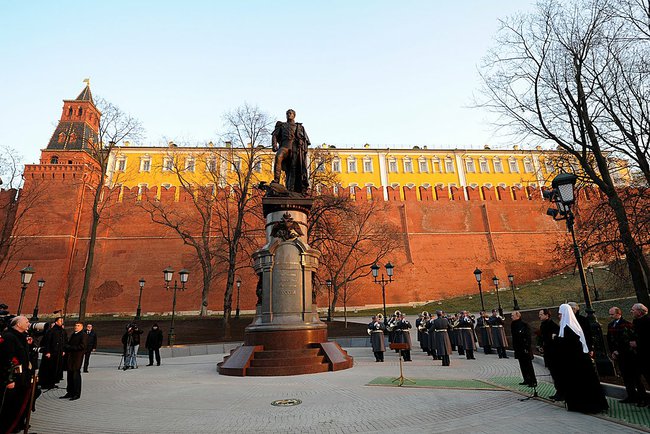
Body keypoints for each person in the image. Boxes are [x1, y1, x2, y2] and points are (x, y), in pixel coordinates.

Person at [554, 304, 608, 414]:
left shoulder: (568, 327)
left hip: (577, 361)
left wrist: (556, 339)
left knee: (582, 384)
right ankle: (579, 404)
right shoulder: (571, 325)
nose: (559, 316)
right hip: (578, 360)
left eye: (560, 314)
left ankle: (588, 406)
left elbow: (570, 343)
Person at [0, 316, 33, 433]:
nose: (29, 323)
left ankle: (15, 426)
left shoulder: (21, 337)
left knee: (18, 405)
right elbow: (6, 359)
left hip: (22, 378)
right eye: (26, 321)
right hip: (13, 379)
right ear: (18, 324)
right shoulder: (9, 337)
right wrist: (9, 380)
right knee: (8, 408)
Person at [607, 306, 646, 404]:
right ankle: (631, 396)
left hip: (628, 355)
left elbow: (627, 340)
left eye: (612, 314)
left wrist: (619, 351)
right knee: (626, 377)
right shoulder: (611, 325)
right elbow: (610, 340)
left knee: (635, 378)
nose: (610, 316)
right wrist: (613, 351)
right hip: (619, 355)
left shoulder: (627, 324)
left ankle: (642, 397)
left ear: (618, 314)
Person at [271, 109, 311, 194]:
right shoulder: (282, 125)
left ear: (294, 115)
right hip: (285, 146)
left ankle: (291, 189)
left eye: (291, 113)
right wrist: (274, 145)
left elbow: (305, 140)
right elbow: (274, 135)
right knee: (278, 156)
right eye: (287, 113)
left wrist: (301, 141)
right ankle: (276, 180)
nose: (289, 115)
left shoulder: (299, 127)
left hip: (295, 149)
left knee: (293, 168)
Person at [538, 308, 562, 400]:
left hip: (554, 353)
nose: (539, 316)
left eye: (541, 314)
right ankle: (558, 391)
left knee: (557, 374)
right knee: (553, 373)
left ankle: (561, 392)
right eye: (539, 314)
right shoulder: (543, 325)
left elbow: (554, 339)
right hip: (548, 352)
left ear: (547, 315)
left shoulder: (552, 325)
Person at [60, 321, 86, 401]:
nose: (76, 327)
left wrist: (70, 347)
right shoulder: (73, 334)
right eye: (75, 325)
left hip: (77, 358)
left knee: (76, 376)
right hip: (70, 358)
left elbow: (82, 346)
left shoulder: (83, 335)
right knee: (69, 376)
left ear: (81, 327)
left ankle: (76, 393)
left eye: (78, 325)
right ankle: (69, 392)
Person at [38, 316, 67, 389]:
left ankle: (52, 382)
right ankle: (45, 383)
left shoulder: (63, 331)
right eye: (60, 321)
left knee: (55, 368)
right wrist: (47, 352)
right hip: (51, 353)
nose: (61, 322)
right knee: (48, 368)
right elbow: (47, 342)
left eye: (62, 321)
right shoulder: (51, 331)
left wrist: (63, 350)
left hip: (58, 353)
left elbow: (64, 341)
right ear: (56, 322)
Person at [630, 303, 650, 404]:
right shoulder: (636, 321)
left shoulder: (647, 321)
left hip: (646, 354)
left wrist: (637, 343)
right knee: (636, 377)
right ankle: (643, 398)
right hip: (638, 354)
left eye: (633, 310)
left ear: (639, 311)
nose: (631, 311)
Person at [511, 311, 537, 387]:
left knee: (528, 365)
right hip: (518, 348)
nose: (511, 317)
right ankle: (526, 379)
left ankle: (533, 381)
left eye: (512, 315)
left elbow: (528, 337)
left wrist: (527, 347)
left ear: (517, 316)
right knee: (522, 365)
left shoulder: (524, 324)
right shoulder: (513, 324)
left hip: (525, 348)